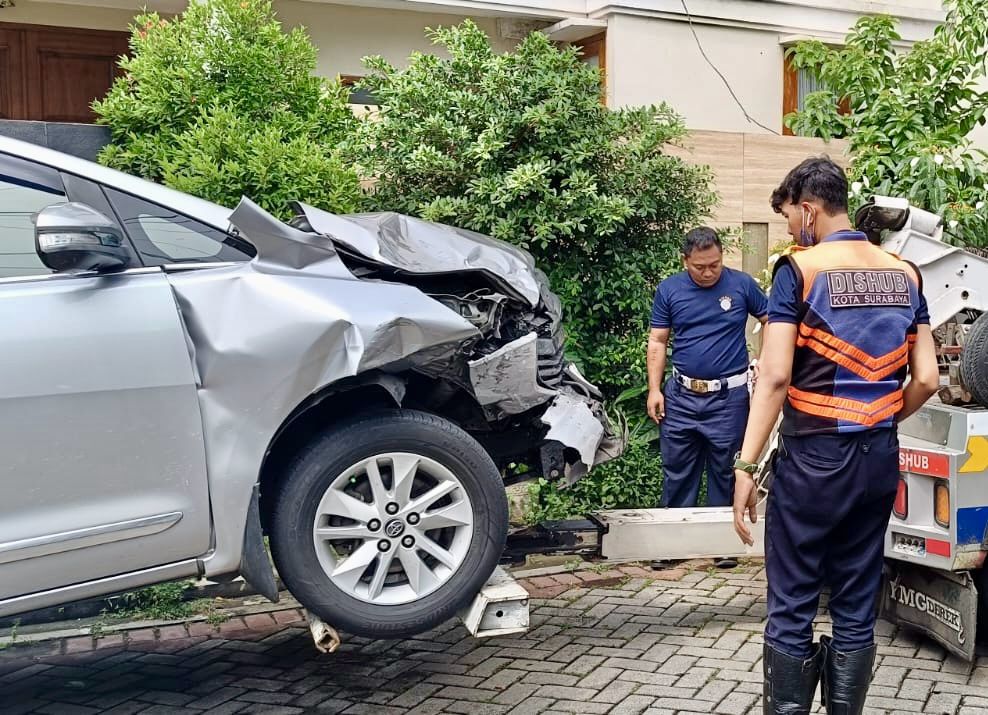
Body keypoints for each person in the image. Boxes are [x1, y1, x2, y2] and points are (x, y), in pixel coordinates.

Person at [731, 157, 939, 714]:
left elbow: (774, 378)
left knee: (794, 597)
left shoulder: (798, 271)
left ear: (808, 208)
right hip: (877, 460)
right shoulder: (905, 273)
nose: (788, 231)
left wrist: (746, 468)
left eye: (787, 218)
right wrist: (882, 418)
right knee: (855, 596)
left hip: (814, 460)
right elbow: (927, 378)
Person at [647, 227, 768, 528]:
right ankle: (673, 542)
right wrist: (654, 390)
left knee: (726, 473)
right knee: (677, 472)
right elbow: (658, 341)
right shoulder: (669, 290)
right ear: (684, 260)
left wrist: (765, 360)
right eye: (700, 267)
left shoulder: (741, 284)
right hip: (681, 397)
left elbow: (772, 319)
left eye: (715, 264)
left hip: (729, 400)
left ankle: (722, 544)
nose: (708, 272)